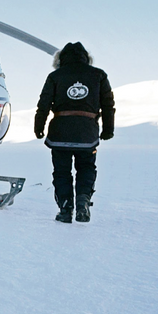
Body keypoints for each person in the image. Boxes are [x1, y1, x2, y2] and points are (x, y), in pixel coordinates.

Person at [34, 42, 115, 223]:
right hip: (87, 133)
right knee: (86, 168)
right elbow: (108, 105)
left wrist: (38, 127)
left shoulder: (55, 76)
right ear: (87, 58)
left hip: (59, 133)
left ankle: (65, 209)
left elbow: (43, 104)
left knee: (62, 172)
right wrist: (108, 129)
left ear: (60, 60)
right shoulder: (99, 75)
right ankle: (82, 202)